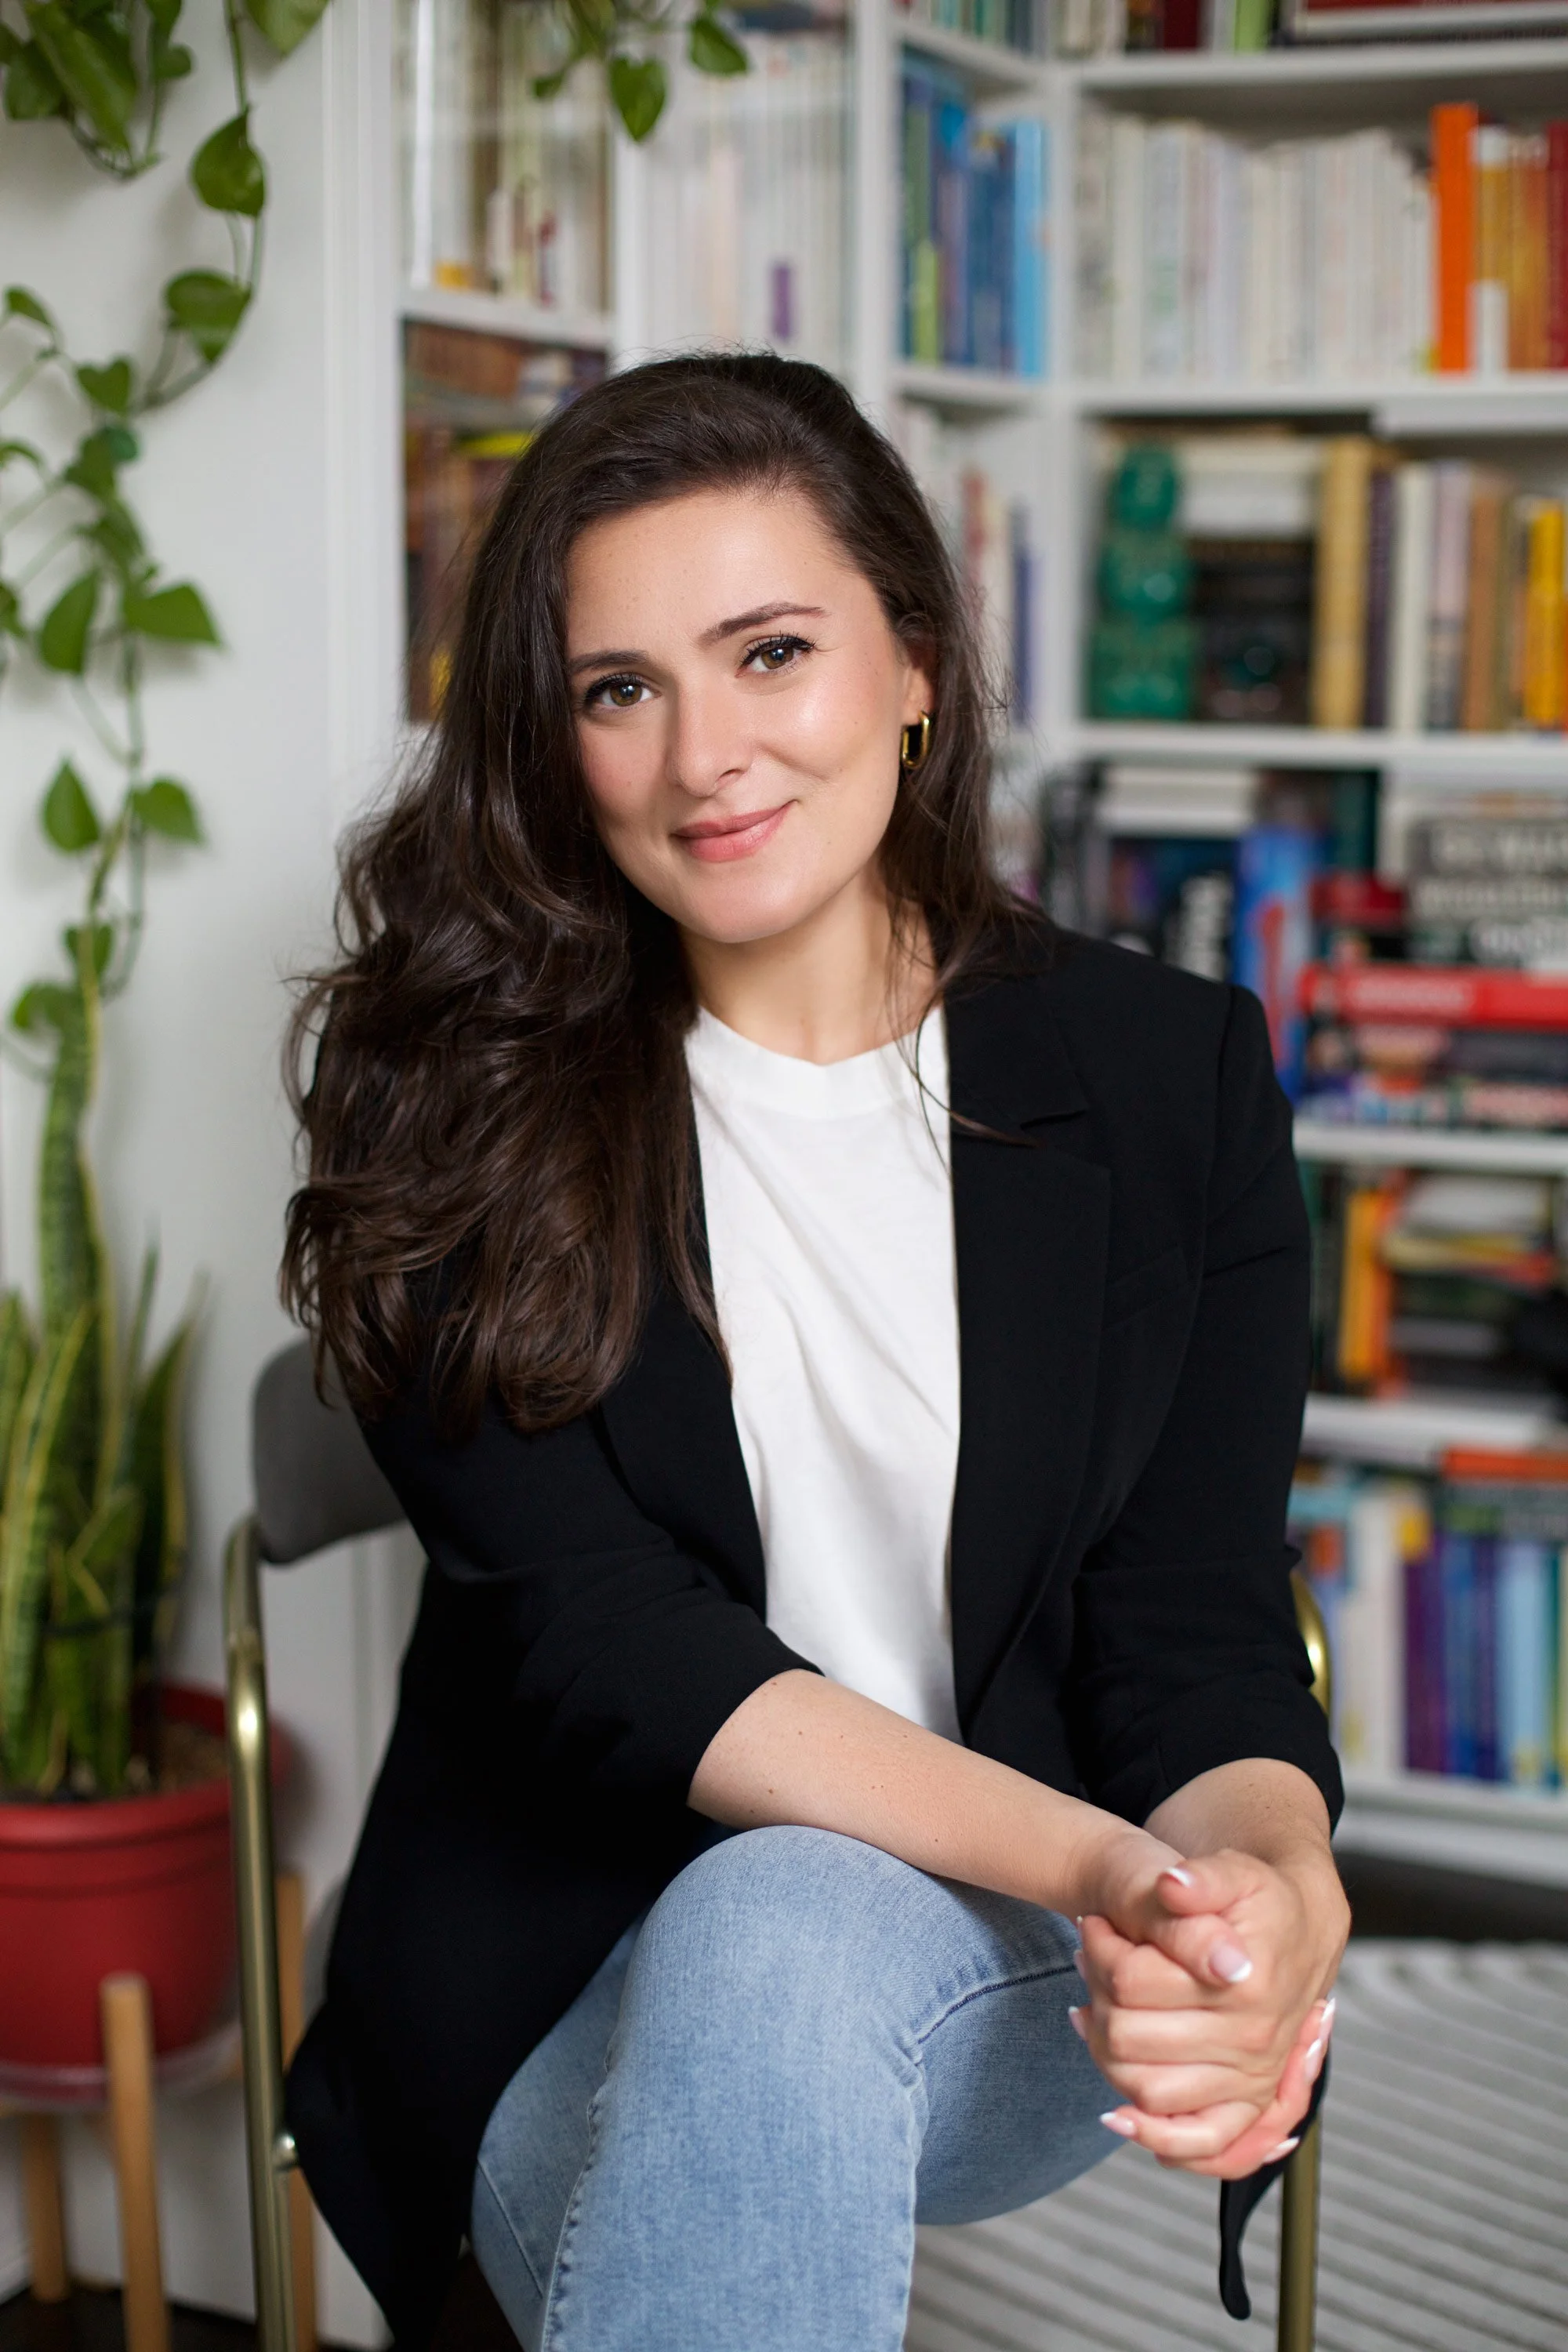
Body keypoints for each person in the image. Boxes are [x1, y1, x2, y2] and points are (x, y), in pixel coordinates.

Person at [282, 354, 1348, 2352]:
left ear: (916, 663)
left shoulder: (1164, 1073)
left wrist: (1263, 1886)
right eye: (622, 689)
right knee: (768, 1923)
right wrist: (1115, 1867)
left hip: (1003, 1963)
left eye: (770, 650)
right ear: (554, 738)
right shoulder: (444, 1087)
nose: (706, 755)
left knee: (793, 1940)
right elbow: (609, 1649)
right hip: (558, 1972)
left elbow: (1192, 1619)